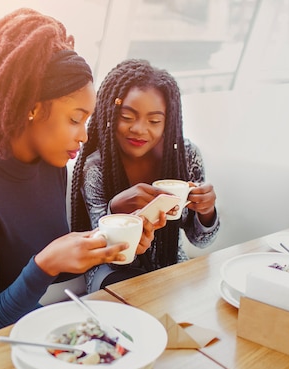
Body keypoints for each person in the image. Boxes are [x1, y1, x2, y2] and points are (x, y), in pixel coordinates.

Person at [0, 10, 159, 362]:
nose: (84, 135)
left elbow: (59, 261)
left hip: (11, 320)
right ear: (31, 108)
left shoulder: (52, 166)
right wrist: (44, 266)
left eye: (87, 120)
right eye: (75, 119)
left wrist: (115, 238)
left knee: (109, 350)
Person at [71, 59, 220, 292]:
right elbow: (105, 253)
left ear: (168, 123)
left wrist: (207, 211)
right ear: (111, 114)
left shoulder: (186, 157)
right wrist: (115, 209)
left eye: (154, 121)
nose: (139, 129)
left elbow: (202, 241)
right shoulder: (96, 168)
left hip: (169, 263)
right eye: (128, 117)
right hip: (112, 272)